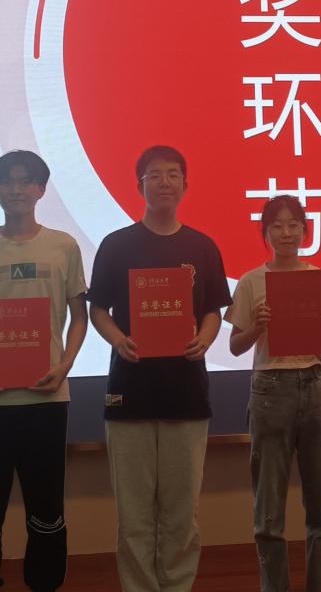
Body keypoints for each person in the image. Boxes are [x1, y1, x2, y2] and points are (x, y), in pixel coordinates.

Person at [87, 145, 231, 592]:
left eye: (172, 174)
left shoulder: (202, 246)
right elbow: (97, 309)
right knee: (134, 514)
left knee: (181, 512)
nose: (164, 182)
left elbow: (213, 310)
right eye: (154, 175)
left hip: (186, 393)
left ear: (185, 184)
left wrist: (205, 338)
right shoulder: (116, 244)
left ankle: (177, 586)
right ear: (140, 185)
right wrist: (118, 339)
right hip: (129, 391)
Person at [0, 150, 89, 592]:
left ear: (41, 190)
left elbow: (79, 317)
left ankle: (44, 584)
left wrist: (65, 365)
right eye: (7, 181)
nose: (17, 189)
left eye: (26, 181)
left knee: (46, 513)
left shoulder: (64, 246)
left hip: (46, 401)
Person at [225, 195, 321, 592]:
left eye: (293, 224)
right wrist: (257, 327)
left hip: (317, 385)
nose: (286, 233)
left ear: (305, 231)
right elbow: (235, 346)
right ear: (265, 233)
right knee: (269, 512)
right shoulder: (251, 281)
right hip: (270, 389)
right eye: (276, 226)